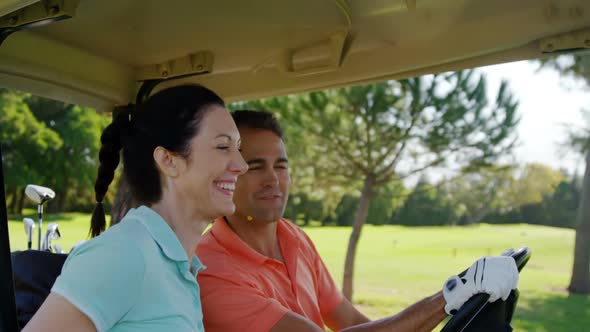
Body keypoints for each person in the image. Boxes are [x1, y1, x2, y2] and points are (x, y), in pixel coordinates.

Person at [196, 110, 519, 332]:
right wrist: (450, 296)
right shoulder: (212, 272)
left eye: (280, 166)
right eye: (255, 167)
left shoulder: (292, 237)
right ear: (229, 172)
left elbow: (346, 318)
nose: (273, 180)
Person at [23, 85, 248, 332]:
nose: (242, 165)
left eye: (238, 148)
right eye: (223, 147)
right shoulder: (124, 252)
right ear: (168, 161)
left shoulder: (179, 266)